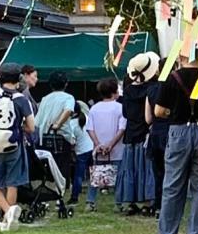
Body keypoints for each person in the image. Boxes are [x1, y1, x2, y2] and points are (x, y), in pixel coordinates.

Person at [154, 55, 198, 234]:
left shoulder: (172, 77)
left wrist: (173, 111)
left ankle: (167, 233)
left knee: (173, 185)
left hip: (178, 131)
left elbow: (158, 111)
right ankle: (195, 233)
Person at [0, 66, 34, 231]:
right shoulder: (21, 99)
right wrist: (19, 129)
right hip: (14, 145)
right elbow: (32, 127)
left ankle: (2, 213)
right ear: (18, 78)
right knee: (12, 183)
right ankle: (9, 214)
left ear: (0, 77)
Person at [117, 51, 159, 215]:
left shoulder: (127, 90)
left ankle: (130, 201)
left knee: (130, 167)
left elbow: (126, 113)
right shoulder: (151, 89)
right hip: (145, 133)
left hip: (130, 133)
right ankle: (147, 201)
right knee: (145, 168)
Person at [33, 73, 81, 215]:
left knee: (46, 170)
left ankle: (44, 199)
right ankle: (59, 199)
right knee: (61, 169)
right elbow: (68, 110)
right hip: (60, 137)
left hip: (43, 138)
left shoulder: (45, 99)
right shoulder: (68, 98)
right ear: (66, 84)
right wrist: (58, 124)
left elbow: (37, 121)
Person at [86, 78, 125, 211]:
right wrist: (111, 145)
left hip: (98, 149)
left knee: (96, 175)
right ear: (114, 91)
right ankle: (118, 203)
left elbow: (90, 128)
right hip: (117, 149)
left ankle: (90, 202)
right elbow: (122, 129)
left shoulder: (94, 109)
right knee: (119, 176)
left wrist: (98, 144)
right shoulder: (120, 108)